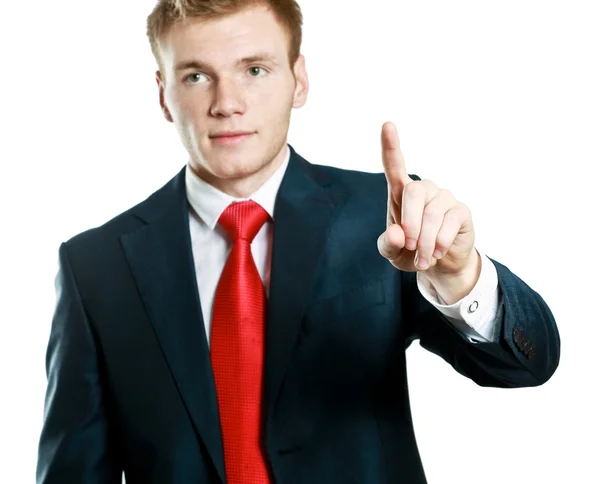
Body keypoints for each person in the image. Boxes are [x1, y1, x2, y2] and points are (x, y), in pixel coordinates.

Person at [35, 1, 560, 483]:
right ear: (163, 95)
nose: (227, 103)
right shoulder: (95, 266)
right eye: (196, 76)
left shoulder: (385, 218)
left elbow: (526, 366)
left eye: (255, 70)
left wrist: (459, 275)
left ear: (299, 81)